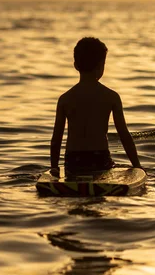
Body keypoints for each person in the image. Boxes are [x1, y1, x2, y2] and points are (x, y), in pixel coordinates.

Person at [50, 37, 143, 175]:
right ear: (101, 66)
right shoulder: (111, 97)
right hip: (100, 160)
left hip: (73, 162)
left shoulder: (65, 99)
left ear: (75, 65)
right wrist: (137, 167)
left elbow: (56, 138)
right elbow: (124, 135)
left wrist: (54, 167)